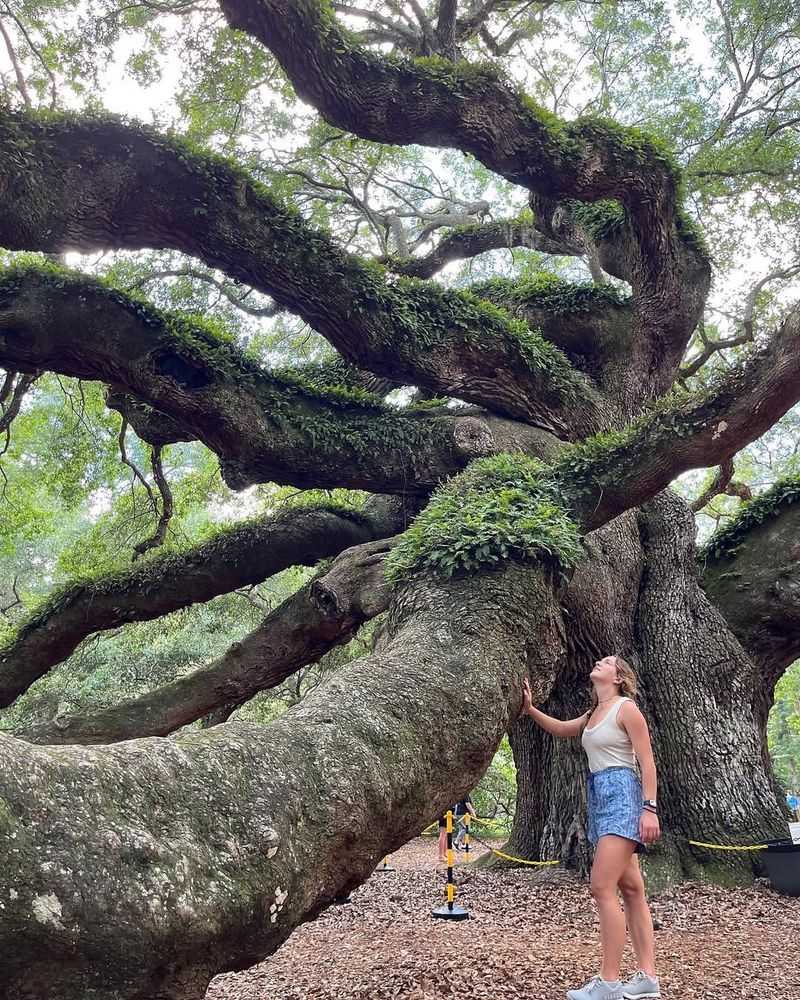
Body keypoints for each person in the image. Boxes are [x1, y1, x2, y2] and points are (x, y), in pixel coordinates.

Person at [520, 655, 661, 1000]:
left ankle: (609, 982)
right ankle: (647, 978)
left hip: (623, 796)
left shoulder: (626, 709)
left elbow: (647, 761)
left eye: (608, 661)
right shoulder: (593, 714)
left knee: (601, 886)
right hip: (600, 795)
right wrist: (529, 709)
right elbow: (562, 729)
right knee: (632, 890)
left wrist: (649, 809)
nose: (600, 661)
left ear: (618, 677)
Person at [437, 795, 477, 863]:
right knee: (443, 834)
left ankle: (445, 853)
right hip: (445, 814)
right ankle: (441, 855)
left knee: (447, 835)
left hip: (451, 814)